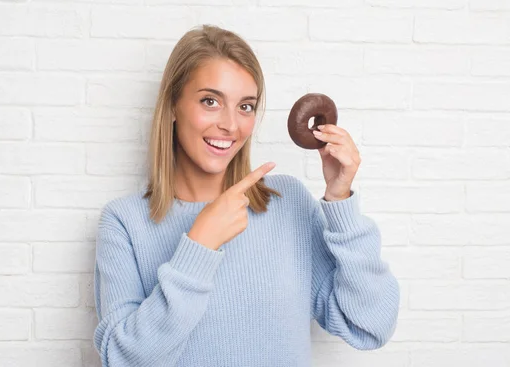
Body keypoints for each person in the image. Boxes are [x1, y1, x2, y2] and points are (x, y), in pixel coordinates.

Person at [93, 24, 400, 367]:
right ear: (173, 107)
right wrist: (199, 246)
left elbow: (371, 325)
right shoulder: (124, 222)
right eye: (210, 101)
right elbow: (123, 359)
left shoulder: (289, 205)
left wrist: (341, 203)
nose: (230, 125)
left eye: (245, 106)